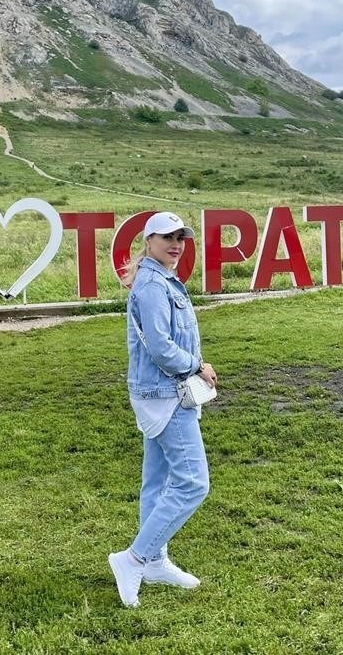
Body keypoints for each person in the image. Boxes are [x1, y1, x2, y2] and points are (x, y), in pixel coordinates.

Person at [108, 211, 218, 608]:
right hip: (166, 393)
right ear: (149, 240)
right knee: (192, 482)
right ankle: (134, 558)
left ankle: (155, 561)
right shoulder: (154, 285)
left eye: (182, 238)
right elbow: (159, 347)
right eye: (168, 237)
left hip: (160, 392)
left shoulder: (161, 279)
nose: (176, 244)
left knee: (157, 482)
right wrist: (197, 367)